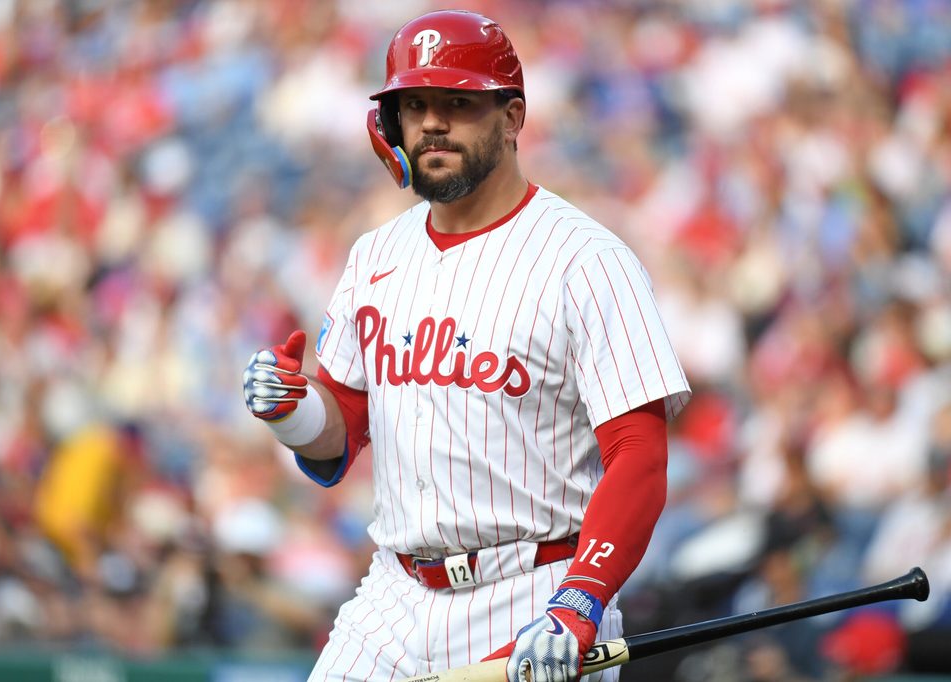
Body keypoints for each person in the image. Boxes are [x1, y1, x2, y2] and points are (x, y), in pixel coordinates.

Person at [242, 10, 690, 681]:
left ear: (511, 118)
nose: (432, 123)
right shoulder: (376, 254)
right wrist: (293, 411)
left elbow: (638, 457)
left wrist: (581, 599)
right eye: (414, 105)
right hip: (394, 593)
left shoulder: (587, 260)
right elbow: (341, 435)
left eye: (458, 102)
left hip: (534, 588)